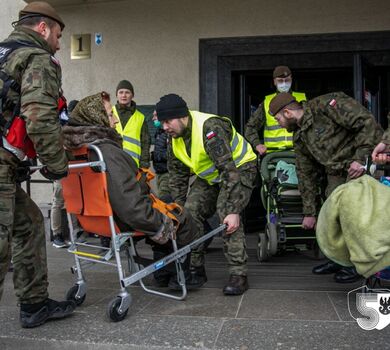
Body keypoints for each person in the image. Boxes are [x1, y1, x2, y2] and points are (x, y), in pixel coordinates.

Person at [64, 92, 198, 286]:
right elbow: (131, 206)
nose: (116, 121)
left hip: (92, 219)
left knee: (164, 203)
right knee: (181, 216)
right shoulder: (105, 152)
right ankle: (180, 276)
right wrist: (158, 224)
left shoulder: (77, 151)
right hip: (124, 219)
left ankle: (164, 275)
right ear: (96, 117)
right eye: (110, 115)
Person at [0, 1, 75, 328]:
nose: (59, 43)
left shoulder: (3, 53)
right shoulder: (37, 59)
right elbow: (40, 119)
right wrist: (57, 165)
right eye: (58, 35)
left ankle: (34, 304)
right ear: (43, 28)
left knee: (29, 223)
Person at [268, 91, 383, 283]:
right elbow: (305, 174)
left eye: (278, 118)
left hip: (360, 166)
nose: (278, 123)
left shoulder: (325, 106)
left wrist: (360, 158)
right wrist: (309, 212)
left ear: (287, 112)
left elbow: (366, 122)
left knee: (356, 218)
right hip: (336, 174)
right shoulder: (299, 136)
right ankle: (340, 260)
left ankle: (362, 265)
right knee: (333, 217)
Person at [156, 94, 257, 295]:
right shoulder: (173, 137)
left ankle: (238, 275)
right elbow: (177, 176)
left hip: (240, 168)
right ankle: (196, 269)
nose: (164, 127)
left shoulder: (210, 128)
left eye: (168, 121)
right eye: (162, 122)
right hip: (211, 175)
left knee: (227, 215)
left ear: (182, 116)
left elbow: (229, 171)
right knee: (190, 212)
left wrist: (234, 210)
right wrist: (179, 211)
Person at [245, 65, 306, 155]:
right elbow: (250, 127)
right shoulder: (267, 102)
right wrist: (257, 145)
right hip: (273, 155)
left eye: (287, 80)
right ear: (274, 81)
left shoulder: (302, 99)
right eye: (280, 81)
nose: (284, 84)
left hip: (298, 153)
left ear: (291, 79)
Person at [112, 80, 151, 168]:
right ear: (116, 95)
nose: (124, 95)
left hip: (133, 165)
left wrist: (144, 165)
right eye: (121, 92)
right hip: (113, 163)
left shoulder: (140, 117)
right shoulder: (109, 113)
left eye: (127, 92)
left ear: (132, 95)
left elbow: (145, 142)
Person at [151, 110, 170, 200]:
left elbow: (173, 154)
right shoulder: (159, 132)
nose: (153, 118)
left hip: (168, 173)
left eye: (156, 116)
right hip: (160, 172)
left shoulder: (170, 133)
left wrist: (157, 156)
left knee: (165, 198)